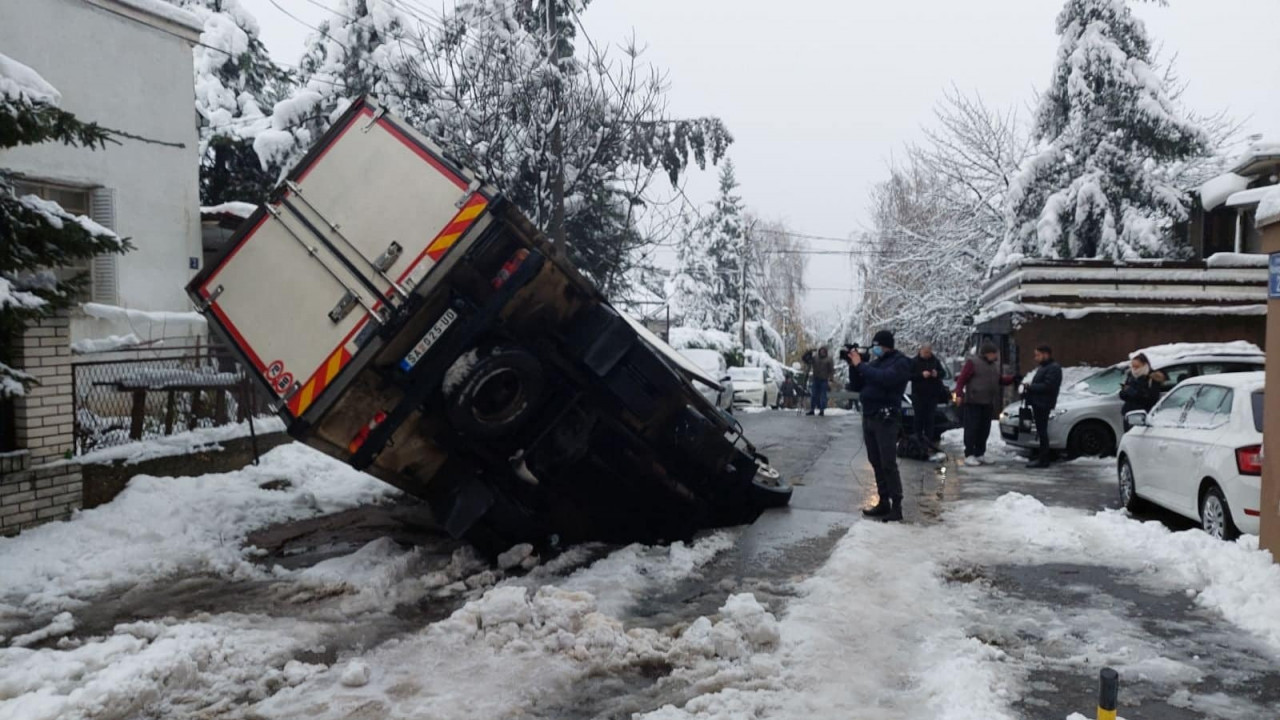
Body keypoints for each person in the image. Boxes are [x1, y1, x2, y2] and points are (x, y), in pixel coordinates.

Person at [847, 330, 913, 522]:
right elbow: (857, 385)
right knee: (875, 460)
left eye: (877, 345)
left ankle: (897, 504)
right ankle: (883, 500)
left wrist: (862, 365)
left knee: (888, 462)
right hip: (869, 416)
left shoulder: (900, 363)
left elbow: (884, 379)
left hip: (886, 418)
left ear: (886, 346)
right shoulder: (876, 363)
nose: (875, 349)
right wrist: (853, 366)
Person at [954, 342, 1014, 467]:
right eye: (994, 354)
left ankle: (980, 453)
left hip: (988, 401)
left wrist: (1012, 379)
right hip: (974, 401)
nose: (996, 356)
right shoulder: (973, 363)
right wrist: (959, 394)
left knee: (984, 429)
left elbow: (999, 380)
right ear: (987, 354)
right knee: (972, 428)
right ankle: (969, 454)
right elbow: (962, 379)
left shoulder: (994, 366)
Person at [1023, 344, 1064, 469]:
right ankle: (1042, 455)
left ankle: (1044, 459)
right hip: (1038, 402)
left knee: (1042, 432)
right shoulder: (1044, 367)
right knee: (1041, 431)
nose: (1036, 358)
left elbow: (1048, 386)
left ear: (1046, 354)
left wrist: (1030, 387)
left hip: (1043, 403)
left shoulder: (1053, 368)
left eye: (1038, 355)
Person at [910, 343, 948, 448]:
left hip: (932, 395)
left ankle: (928, 441)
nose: (927, 354)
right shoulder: (914, 362)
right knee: (918, 419)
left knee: (930, 419)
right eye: (925, 352)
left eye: (929, 352)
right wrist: (921, 375)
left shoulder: (935, 361)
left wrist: (937, 374)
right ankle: (917, 441)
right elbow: (909, 375)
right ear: (920, 351)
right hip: (918, 395)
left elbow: (943, 373)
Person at [1118, 353, 1165, 429]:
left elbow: (1152, 399)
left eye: (1137, 367)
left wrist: (1132, 392)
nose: (1134, 369)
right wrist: (1124, 392)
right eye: (1133, 366)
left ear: (1144, 365)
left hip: (1142, 416)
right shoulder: (1131, 376)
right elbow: (1124, 396)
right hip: (1129, 414)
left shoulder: (1153, 378)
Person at [807, 347, 835, 416]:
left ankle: (821, 410)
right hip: (816, 379)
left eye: (824, 351)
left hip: (824, 379)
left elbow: (831, 370)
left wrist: (831, 378)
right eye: (821, 351)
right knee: (814, 395)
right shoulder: (815, 358)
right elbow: (806, 360)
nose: (822, 353)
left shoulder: (829, 359)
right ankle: (812, 409)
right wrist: (808, 353)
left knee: (823, 396)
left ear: (825, 352)